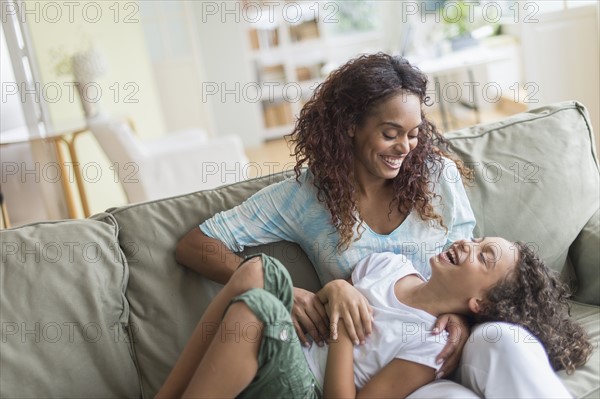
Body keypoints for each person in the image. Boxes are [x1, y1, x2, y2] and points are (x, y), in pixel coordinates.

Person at [176, 53, 476, 378]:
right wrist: (281, 291)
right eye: (390, 134)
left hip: (430, 357)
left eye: (413, 133)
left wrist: (463, 320)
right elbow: (195, 244)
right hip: (360, 372)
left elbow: (471, 266)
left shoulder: (438, 177)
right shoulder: (306, 196)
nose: (405, 147)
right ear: (350, 126)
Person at [157, 238, 592, 398]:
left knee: (261, 309)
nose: (468, 243)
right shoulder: (386, 265)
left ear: (479, 302)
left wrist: (344, 332)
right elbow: (333, 298)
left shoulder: (432, 343)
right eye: (477, 239)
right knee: (257, 272)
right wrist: (337, 289)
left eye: (484, 256)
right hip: (291, 348)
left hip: (307, 387)